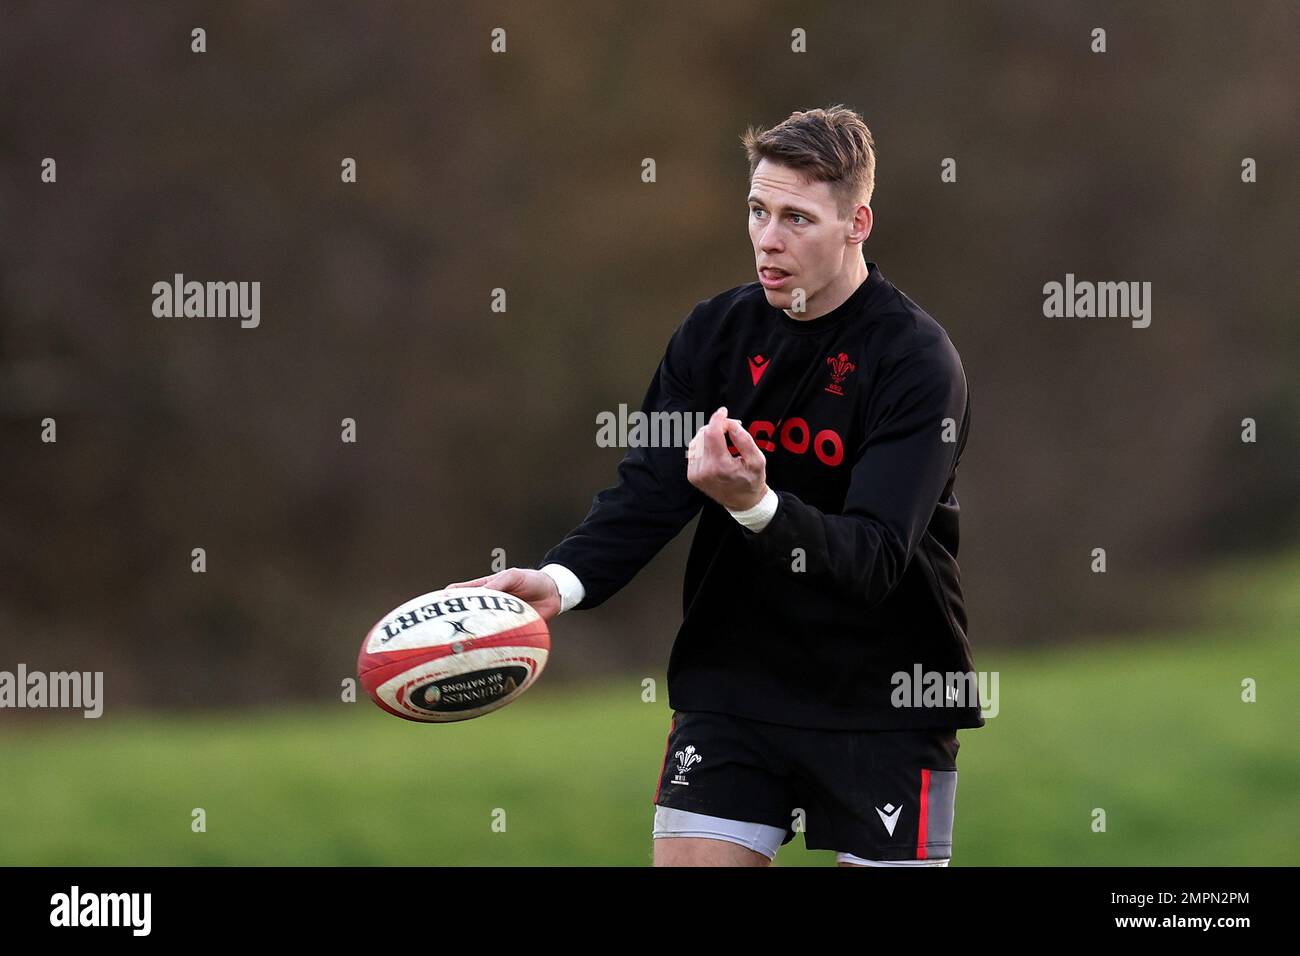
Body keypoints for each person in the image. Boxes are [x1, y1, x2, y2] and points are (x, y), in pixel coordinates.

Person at [447, 105, 983, 867]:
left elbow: (874, 558)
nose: (769, 238)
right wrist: (561, 583)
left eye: (798, 218)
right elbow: (649, 491)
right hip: (734, 685)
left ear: (858, 222)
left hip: (885, 697)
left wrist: (756, 507)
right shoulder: (714, 334)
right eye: (758, 211)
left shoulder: (917, 362)